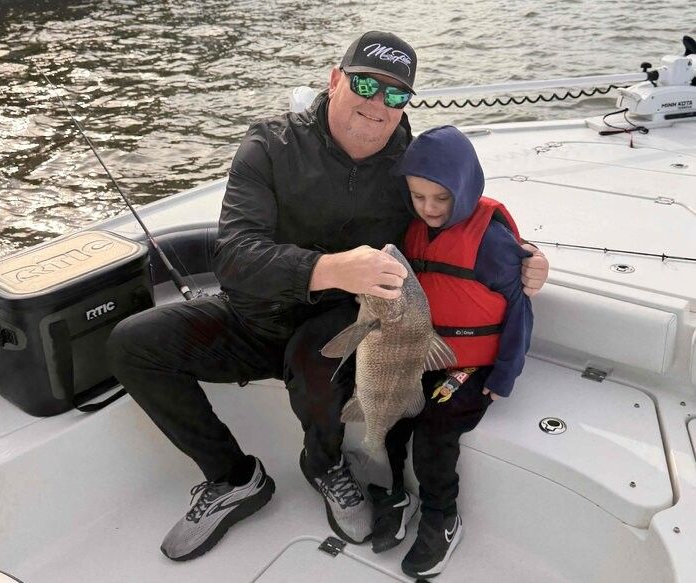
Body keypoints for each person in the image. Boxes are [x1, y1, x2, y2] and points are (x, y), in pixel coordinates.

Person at [107, 31, 549, 563]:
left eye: (395, 95)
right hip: (250, 318)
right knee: (133, 343)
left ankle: (326, 467)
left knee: (316, 361)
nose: (377, 104)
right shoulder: (269, 146)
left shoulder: (408, 166)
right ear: (334, 80)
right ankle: (234, 477)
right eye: (365, 83)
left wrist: (522, 254)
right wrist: (331, 267)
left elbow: (457, 213)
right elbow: (232, 255)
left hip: (340, 326)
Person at [369, 125, 532, 579]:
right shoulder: (413, 231)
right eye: (419, 198)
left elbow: (520, 309)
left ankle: (442, 516)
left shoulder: (493, 244)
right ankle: (398, 494)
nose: (430, 209)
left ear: (464, 188)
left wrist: (504, 375)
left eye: (441, 199)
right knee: (395, 413)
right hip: (424, 352)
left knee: (436, 429)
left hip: (472, 366)